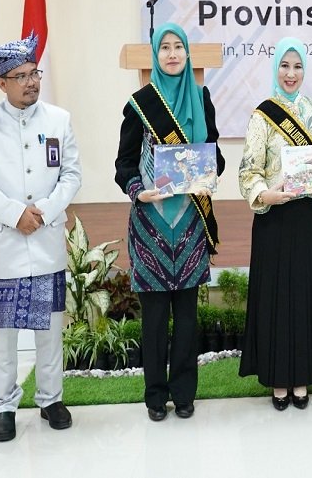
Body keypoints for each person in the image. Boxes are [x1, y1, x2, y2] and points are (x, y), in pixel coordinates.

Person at [0, 32, 81, 442]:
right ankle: (4, 407)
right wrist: (15, 215)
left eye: (35, 73)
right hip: (4, 246)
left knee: (49, 329)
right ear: (2, 83)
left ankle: (51, 400)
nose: (32, 82)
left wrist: (43, 212)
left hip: (46, 240)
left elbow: (71, 176)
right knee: (4, 333)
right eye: (21, 76)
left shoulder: (59, 120)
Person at [114, 22, 224, 422]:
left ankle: (184, 392)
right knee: (156, 319)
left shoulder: (201, 97)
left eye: (179, 47)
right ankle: (155, 396)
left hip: (191, 220)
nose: (173, 54)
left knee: (188, 317)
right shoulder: (139, 104)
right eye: (166, 48)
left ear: (187, 54)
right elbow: (124, 163)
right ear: (156, 56)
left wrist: (206, 167)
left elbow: (216, 155)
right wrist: (137, 190)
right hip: (150, 223)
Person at [239, 37, 312, 411]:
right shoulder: (262, 115)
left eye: (297, 67)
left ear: (304, 70)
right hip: (273, 218)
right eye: (284, 66)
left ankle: (302, 377)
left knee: (304, 297)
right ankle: (278, 379)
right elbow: (249, 171)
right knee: (277, 298)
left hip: (308, 219)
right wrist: (266, 195)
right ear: (275, 68)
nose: (291, 74)